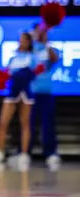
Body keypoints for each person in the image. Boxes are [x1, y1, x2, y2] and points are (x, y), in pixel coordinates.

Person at [0, 31, 41, 172]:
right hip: (12, 91)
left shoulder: (32, 58)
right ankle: (0, 153)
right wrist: (1, 78)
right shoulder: (13, 58)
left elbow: (33, 73)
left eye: (23, 40)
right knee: (3, 122)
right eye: (20, 40)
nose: (21, 42)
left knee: (25, 122)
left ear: (29, 42)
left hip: (26, 91)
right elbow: (8, 73)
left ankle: (24, 154)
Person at [31, 24, 61, 170]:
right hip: (30, 93)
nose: (41, 34)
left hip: (46, 92)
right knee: (27, 125)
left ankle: (51, 153)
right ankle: (24, 152)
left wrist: (46, 44)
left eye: (43, 31)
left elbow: (55, 59)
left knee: (48, 124)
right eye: (38, 31)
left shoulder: (49, 50)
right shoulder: (31, 50)